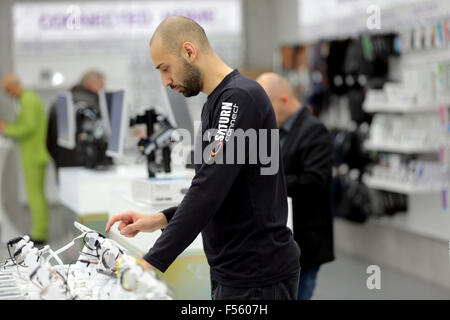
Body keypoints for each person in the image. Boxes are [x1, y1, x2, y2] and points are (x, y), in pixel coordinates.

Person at [105, 16, 300, 300]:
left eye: (165, 68)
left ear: (189, 51)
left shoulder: (239, 98)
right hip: (233, 272)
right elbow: (220, 191)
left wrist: (149, 262)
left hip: (257, 276)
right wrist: (158, 219)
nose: (165, 81)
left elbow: (209, 189)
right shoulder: (216, 102)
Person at [256, 72, 335, 300]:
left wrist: (265, 182)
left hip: (306, 243)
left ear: (283, 99)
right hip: (282, 241)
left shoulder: (314, 131)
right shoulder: (276, 131)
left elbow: (314, 182)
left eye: (266, 106)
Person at [0, 73, 50, 245]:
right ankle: (40, 229)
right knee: (37, 195)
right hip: (35, 153)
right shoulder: (28, 98)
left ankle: (39, 232)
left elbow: (27, 126)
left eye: (7, 90)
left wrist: (6, 128)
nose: (7, 94)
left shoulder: (27, 100)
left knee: (35, 196)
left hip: (33, 154)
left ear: (13, 87)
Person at [46, 70, 110, 173]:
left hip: (62, 166)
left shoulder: (58, 102)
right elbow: (101, 139)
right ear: (92, 84)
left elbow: (49, 140)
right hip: (88, 169)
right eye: (102, 85)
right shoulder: (94, 104)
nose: (103, 89)